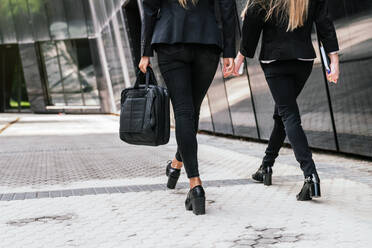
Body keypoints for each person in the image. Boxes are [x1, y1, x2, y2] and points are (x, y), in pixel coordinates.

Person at [234, 0, 340, 200]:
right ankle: (266, 165)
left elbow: (252, 24)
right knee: (282, 114)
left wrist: (239, 59)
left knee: (288, 115)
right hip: (303, 61)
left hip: (276, 61)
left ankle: (310, 176)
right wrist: (334, 60)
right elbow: (324, 23)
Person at [139, 0, 236, 214]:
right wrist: (230, 51)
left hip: (170, 39)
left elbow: (149, 8)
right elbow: (228, 8)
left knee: (184, 112)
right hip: (207, 40)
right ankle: (176, 164)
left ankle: (195, 184)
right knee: (190, 111)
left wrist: (144, 51)